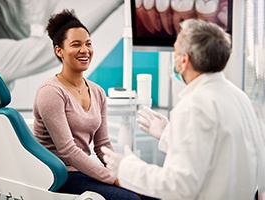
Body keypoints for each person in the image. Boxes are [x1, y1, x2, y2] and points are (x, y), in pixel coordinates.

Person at [102, 19, 265, 200]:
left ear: (184, 60)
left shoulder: (193, 106)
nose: (174, 57)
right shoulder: (239, 97)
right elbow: (218, 153)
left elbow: (177, 186)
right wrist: (167, 133)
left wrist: (126, 167)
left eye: (176, 50)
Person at [33, 9, 158, 200]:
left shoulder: (97, 91)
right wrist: (113, 178)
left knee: (153, 195)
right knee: (130, 199)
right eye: (76, 44)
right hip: (58, 176)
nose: (85, 50)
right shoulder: (51, 92)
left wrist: (122, 171)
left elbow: (102, 145)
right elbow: (68, 151)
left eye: (88, 44)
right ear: (59, 50)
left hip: (83, 171)